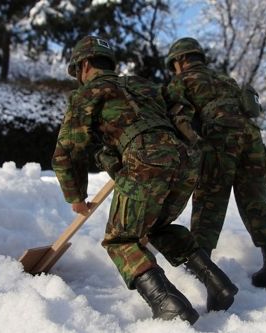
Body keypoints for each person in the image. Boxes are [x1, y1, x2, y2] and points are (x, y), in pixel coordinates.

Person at [52, 36, 238, 323]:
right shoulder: (144, 85)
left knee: (121, 239)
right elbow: (180, 112)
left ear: (85, 64)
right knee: (158, 226)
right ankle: (217, 283)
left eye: (77, 71)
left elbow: (68, 150)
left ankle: (168, 304)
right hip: (185, 161)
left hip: (145, 159)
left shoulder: (88, 93)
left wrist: (76, 195)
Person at [164, 37, 266, 291]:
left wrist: (192, 147)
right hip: (252, 140)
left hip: (218, 139)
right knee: (256, 201)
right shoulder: (226, 80)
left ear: (179, 60)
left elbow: (179, 118)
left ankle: (203, 274)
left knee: (209, 202)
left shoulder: (181, 81)